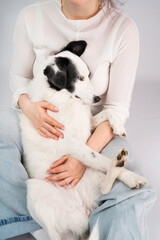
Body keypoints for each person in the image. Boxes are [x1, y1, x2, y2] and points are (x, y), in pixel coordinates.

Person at [0, 0, 156, 239]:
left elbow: (116, 108)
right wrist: (28, 106)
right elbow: (19, 75)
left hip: (95, 126)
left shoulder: (123, 28)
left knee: (132, 191)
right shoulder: (32, 16)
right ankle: (22, 225)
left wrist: (82, 157)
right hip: (37, 112)